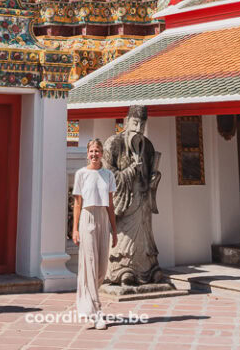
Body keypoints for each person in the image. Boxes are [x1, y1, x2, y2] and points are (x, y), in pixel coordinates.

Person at [103, 104, 166, 286]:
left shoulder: (148, 147)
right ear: (127, 121)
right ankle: (122, 270)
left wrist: (154, 178)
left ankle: (147, 270)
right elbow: (109, 175)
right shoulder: (113, 144)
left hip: (142, 200)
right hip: (124, 202)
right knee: (123, 240)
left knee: (145, 238)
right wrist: (130, 171)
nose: (138, 129)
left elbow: (149, 175)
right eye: (136, 123)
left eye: (142, 124)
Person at [72, 138, 118, 330]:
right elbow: (77, 203)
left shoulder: (108, 175)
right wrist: (74, 229)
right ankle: (96, 312)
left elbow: (111, 204)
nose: (94, 154)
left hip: (103, 219)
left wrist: (115, 232)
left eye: (97, 151)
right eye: (91, 151)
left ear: (102, 154)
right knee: (90, 264)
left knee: (101, 268)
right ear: (87, 153)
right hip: (87, 218)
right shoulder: (81, 174)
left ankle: (86, 301)